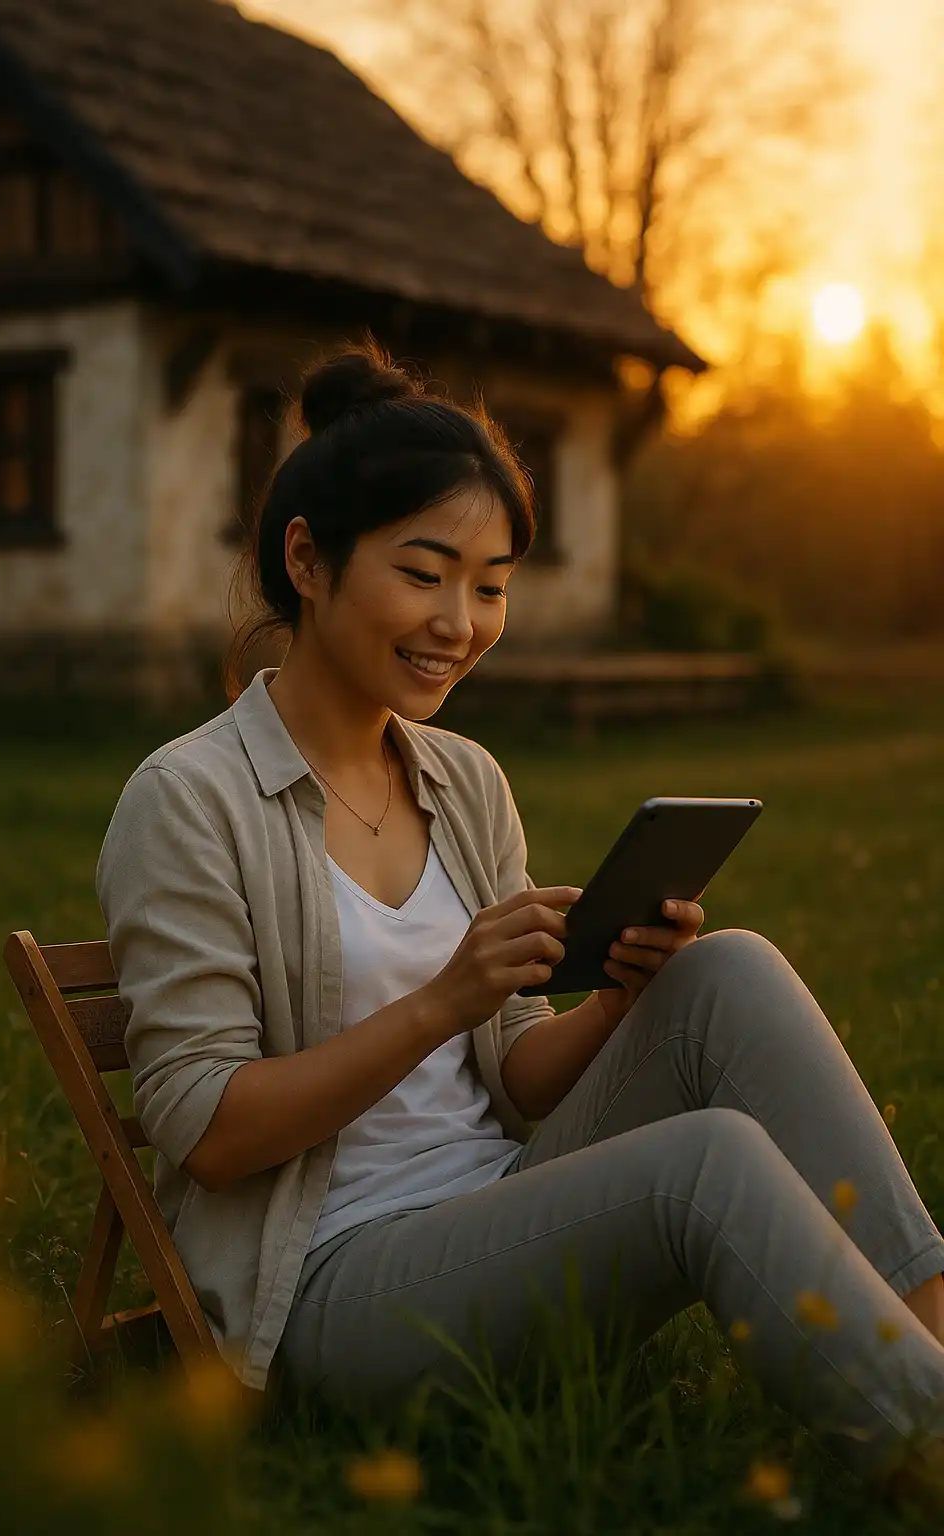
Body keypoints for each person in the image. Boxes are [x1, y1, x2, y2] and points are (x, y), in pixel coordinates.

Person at [97, 340, 944, 1514]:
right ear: (307, 559)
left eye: (490, 584)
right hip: (336, 1288)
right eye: (424, 572)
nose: (461, 620)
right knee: (704, 1164)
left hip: (500, 1207)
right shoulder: (189, 800)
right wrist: (440, 999)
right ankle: (928, 1448)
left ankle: (933, 1354)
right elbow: (211, 1136)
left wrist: (618, 1001)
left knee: (728, 971)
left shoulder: (463, 782)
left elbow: (522, 1079)